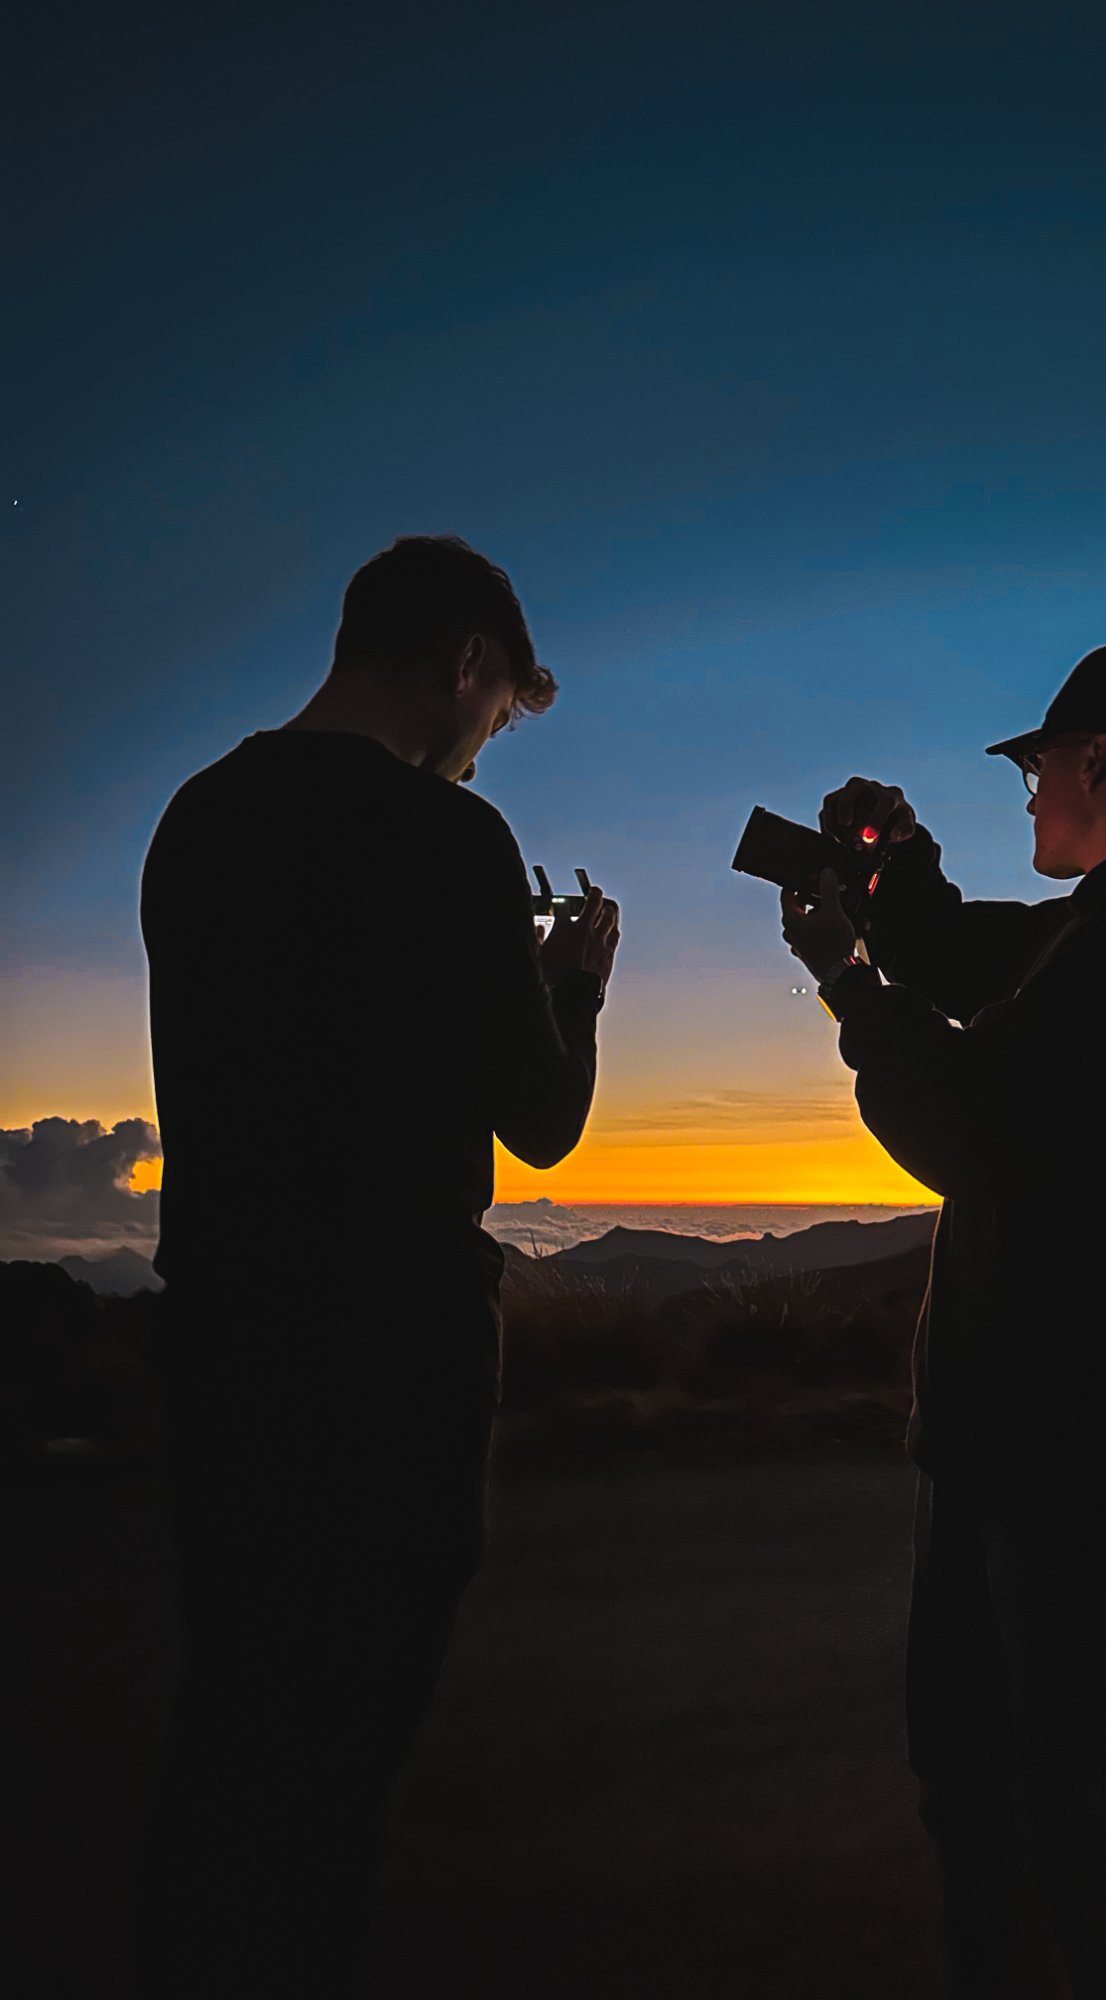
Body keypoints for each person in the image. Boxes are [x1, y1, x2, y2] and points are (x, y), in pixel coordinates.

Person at [779, 643, 1106, 1998]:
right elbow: (973, 956)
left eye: (1032, 768)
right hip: (1015, 1443)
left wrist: (848, 983)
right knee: (983, 1797)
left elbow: (972, 1120)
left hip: (1093, 1453)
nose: (1025, 800)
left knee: (1089, 1833)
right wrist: (890, 865)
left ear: (1095, 758)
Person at [135, 535, 620, 1997]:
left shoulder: (199, 815)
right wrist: (572, 988)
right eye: (492, 717)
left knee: (232, 1715)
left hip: (218, 1329)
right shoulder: (449, 842)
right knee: (349, 1741)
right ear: (469, 665)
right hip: (391, 1345)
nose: (481, 753)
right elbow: (538, 1123)